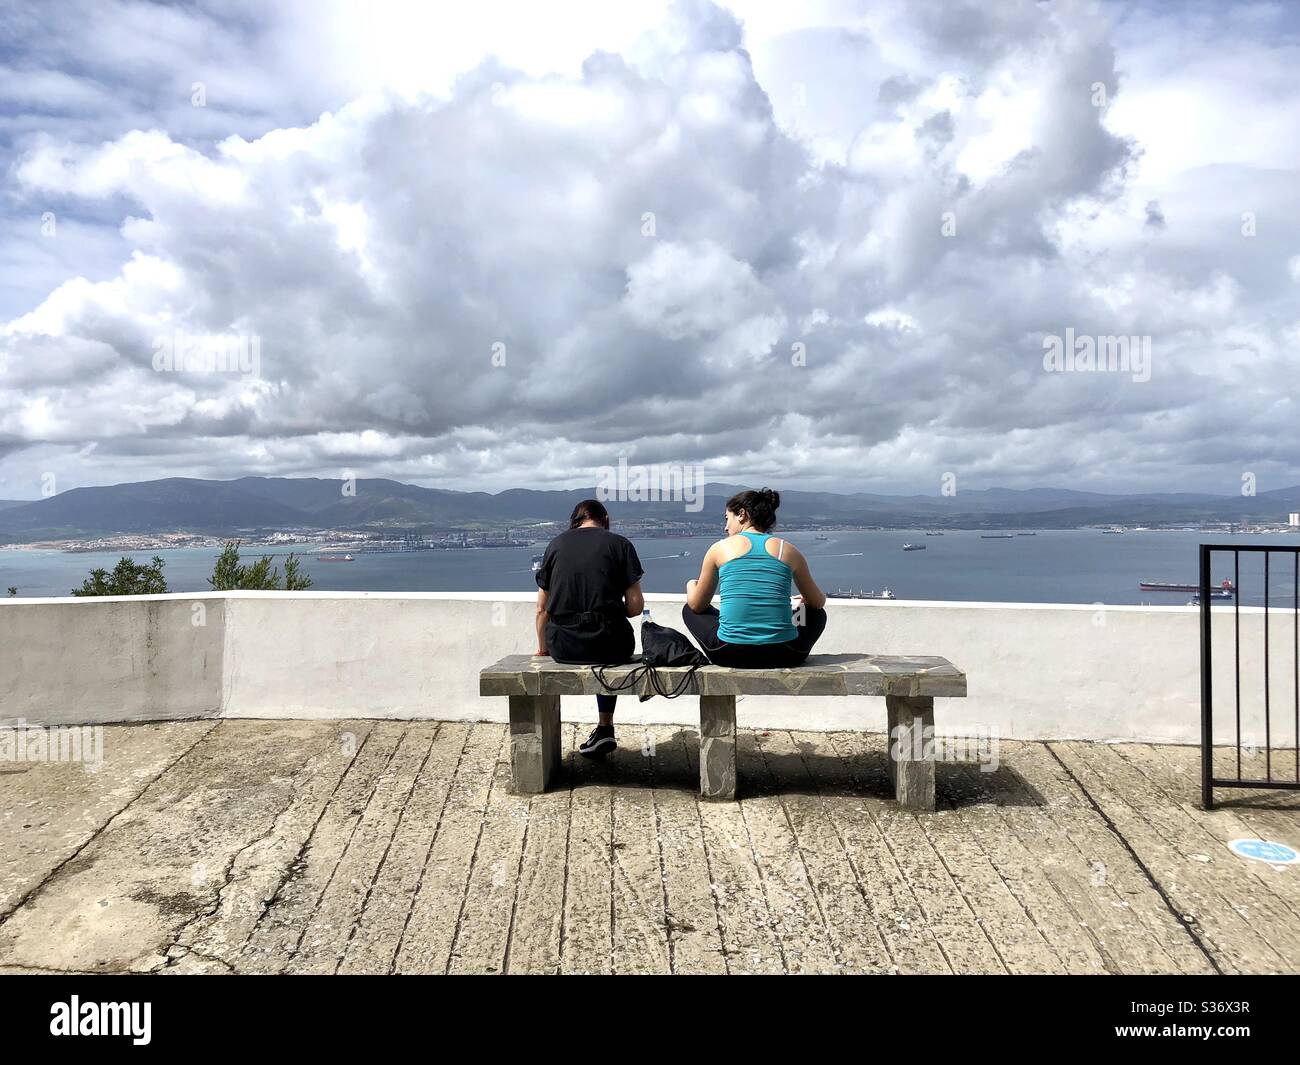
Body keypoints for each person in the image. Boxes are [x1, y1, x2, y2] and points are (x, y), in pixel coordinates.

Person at [534, 498, 644, 757]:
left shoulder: (556, 545)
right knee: (607, 652)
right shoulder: (620, 544)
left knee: (597, 650)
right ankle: (605, 726)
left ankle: (596, 734)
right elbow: (636, 606)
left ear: (575, 521)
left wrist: (543, 648)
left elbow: (542, 609)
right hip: (612, 645)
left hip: (565, 646)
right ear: (605, 520)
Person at [682, 487, 827, 667]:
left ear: (741, 514)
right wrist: (805, 600)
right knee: (816, 614)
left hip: (730, 653)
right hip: (786, 654)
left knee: (688, 609)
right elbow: (818, 603)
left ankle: (736, 631)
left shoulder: (719, 549)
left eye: (728, 519)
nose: (726, 527)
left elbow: (697, 605)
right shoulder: (788, 550)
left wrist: (690, 584)